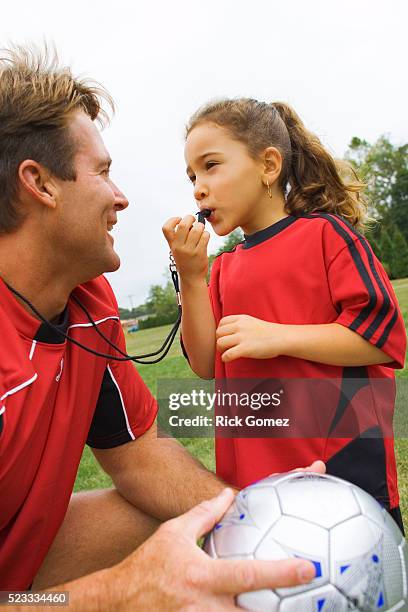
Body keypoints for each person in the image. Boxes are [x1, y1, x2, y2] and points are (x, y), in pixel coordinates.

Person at [0, 48, 322, 607]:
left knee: (173, 515)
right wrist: (114, 593)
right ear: (40, 184)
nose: (121, 196)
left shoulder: (89, 303)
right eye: (102, 172)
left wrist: (268, 521)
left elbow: (139, 455)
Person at [163, 98, 407, 533]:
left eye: (211, 166)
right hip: (259, 482)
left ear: (269, 165)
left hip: (342, 470)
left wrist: (278, 336)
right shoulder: (223, 268)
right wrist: (191, 276)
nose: (198, 187)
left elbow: (381, 337)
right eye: (192, 175)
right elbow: (204, 364)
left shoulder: (326, 235)